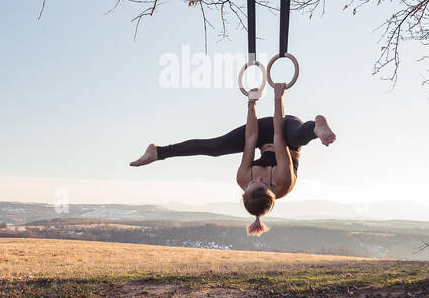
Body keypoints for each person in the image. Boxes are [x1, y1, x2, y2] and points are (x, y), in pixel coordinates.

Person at [130, 84, 336, 235]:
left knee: (216, 147)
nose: (257, 180)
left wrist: (251, 103)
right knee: (297, 135)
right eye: (261, 184)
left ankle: (158, 152)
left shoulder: (243, 179)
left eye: (252, 185)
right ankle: (316, 128)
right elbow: (279, 135)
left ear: (245, 192)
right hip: (286, 132)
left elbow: (250, 138)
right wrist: (277, 97)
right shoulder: (284, 181)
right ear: (270, 190)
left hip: (260, 136)